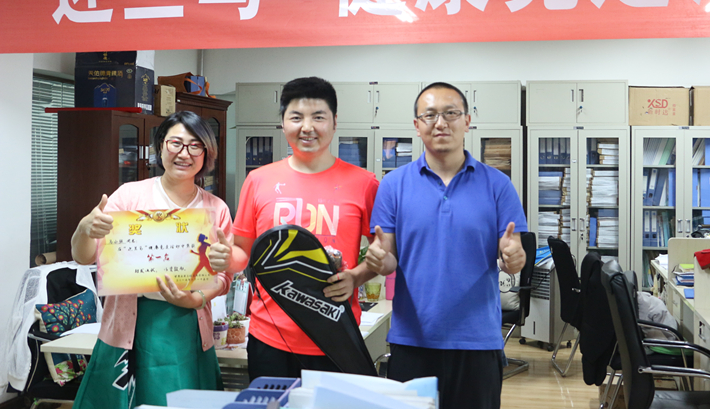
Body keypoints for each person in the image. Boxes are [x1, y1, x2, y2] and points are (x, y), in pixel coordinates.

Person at [366, 82, 527, 409]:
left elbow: (513, 254)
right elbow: (389, 259)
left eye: (451, 113)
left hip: (477, 341)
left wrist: (513, 258)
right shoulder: (393, 185)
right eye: (430, 115)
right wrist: (379, 260)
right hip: (413, 339)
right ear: (417, 125)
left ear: (467, 121)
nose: (440, 123)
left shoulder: (498, 185)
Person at [71, 111, 235, 409]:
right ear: (160, 146)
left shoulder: (216, 209)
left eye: (195, 145)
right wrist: (84, 229)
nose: (184, 153)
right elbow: (83, 257)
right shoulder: (129, 196)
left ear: (206, 152)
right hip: (128, 327)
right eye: (176, 143)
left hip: (187, 325)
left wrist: (195, 299)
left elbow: (223, 279)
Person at [221, 76, 380, 380]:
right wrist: (224, 258)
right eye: (296, 117)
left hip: (334, 334)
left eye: (318, 117)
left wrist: (356, 277)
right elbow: (242, 252)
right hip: (269, 336)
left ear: (334, 122)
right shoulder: (258, 180)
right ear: (283, 123)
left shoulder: (364, 183)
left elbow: (382, 253)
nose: (307, 127)